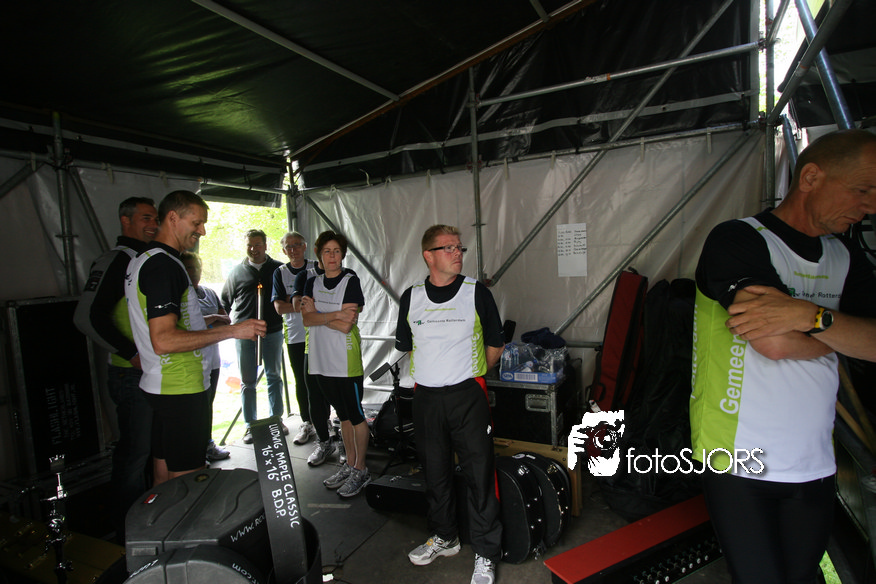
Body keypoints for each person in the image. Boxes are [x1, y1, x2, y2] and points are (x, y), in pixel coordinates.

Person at [691, 129, 876, 583]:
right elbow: (772, 344)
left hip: (814, 459)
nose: (870, 206)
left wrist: (808, 316)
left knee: (803, 576)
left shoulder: (844, 254)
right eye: (862, 190)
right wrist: (840, 329)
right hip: (739, 457)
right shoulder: (738, 239)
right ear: (810, 177)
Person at [126, 190, 266, 484]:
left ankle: (163, 517)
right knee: (187, 482)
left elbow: (170, 328)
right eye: (196, 223)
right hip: (180, 388)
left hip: (162, 385)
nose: (202, 231)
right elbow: (164, 340)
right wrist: (233, 330)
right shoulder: (163, 265)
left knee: (164, 474)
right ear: (173, 218)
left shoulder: (147, 259)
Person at [395, 225, 505, 584]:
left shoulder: (476, 293)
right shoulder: (411, 297)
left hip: (467, 396)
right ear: (428, 256)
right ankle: (446, 537)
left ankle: (486, 552)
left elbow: (495, 344)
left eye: (460, 248)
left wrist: (469, 374)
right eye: (449, 248)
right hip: (426, 398)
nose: (458, 253)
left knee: (479, 475)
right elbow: (408, 345)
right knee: (435, 473)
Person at [74, 196, 158, 540]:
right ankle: (127, 532)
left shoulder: (146, 258)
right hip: (130, 374)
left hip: (153, 373)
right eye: (145, 218)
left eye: (155, 218)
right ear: (126, 220)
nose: (152, 224)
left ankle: (148, 522)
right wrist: (130, 353)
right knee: (134, 454)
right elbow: (86, 317)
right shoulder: (118, 259)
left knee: (151, 453)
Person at [300, 230, 369, 497]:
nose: (332, 256)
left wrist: (320, 314)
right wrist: (335, 314)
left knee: (355, 414)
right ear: (319, 255)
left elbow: (346, 325)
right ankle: (350, 465)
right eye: (327, 251)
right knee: (342, 416)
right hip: (321, 359)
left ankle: (361, 469)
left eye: (336, 251)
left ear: (342, 255)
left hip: (345, 359)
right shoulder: (311, 282)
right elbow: (306, 320)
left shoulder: (351, 281)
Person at [221, 229, 286, 444]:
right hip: (245, 335)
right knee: (247, 381)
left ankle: (276, 420)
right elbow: (225, 302)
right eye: (249, 245)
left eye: (257, 245)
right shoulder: (236, 272)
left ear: (265, 246)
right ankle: (250, 425)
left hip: (272, 331)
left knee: (274, 376)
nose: (253, 249)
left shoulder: (278, 269)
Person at [181, 251, 232, 462]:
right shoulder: (179, 295)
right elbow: (189, 326)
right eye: (188, 268)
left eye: (196, 268)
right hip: (192, 361)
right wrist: (212, 318)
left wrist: (206, 322)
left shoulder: (209, 293)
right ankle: (193, 450)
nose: (193, 272)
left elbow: (226, 320)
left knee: (208, 405)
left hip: (213, 359)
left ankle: (207, 444)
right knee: (194, 408)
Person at [272, 232, 321, 445]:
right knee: (301, 381)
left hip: (319, 332)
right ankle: (307, 422)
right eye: (289, 247)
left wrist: (293, 301)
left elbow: (322, 301)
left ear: (305, 246)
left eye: (297, 245)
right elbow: (279, 308)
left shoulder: (315, 267)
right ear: (284, 251)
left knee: (321, 378)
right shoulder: (280, 273)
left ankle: (325, 421)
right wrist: (305, 303)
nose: (293, 250)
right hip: (295, 335)